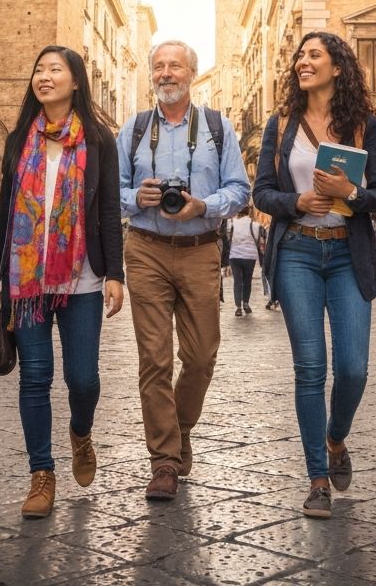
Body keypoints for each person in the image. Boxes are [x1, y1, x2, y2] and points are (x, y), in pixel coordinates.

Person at [0, 45, 124, 519]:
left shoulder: (99, 140)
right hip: (26, 282)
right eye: (38, 69)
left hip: (82, 278)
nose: (44, 76)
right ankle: (41, 475)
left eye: (54, 69)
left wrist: (115, 274)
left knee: (82, 379)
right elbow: (5, 210)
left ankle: (80, 432)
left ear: (75, 81)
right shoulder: (22, 136)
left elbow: (106, 211)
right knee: (35, 377)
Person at [253, 31, 376, 519]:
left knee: (353, 369)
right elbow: (263, 192)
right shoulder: (281, 123)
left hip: (348, 255)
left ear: (337, 67)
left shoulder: (363, 124)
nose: (302, 62)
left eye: (314, 55)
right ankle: (316, 481)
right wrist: (297, 202)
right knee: (310, 368)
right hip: (297, 254)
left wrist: (349, 193)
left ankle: (336, 439)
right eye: (300, 56)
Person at [117, 40, 250, 502]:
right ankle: (165, 461)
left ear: (192, 73)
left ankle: (179, 426)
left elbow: (239, 188)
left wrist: (202, 205)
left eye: (174, 65)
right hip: (146, 249)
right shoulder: (133, 129)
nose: (165, 73)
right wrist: (138, 198)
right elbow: (110, 191)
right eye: (158, 66)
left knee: (200, 356)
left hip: (199, 248)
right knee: (154, 358)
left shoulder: (217, 127)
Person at [228, 208, 259, 316]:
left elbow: (228, 237)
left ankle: (238, 307)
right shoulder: (254, 224)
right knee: (247, 280)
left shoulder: (232, 223)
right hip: (250, 256)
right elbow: (258, 237)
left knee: (237, 281)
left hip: (234, 255)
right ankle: (246, 303)